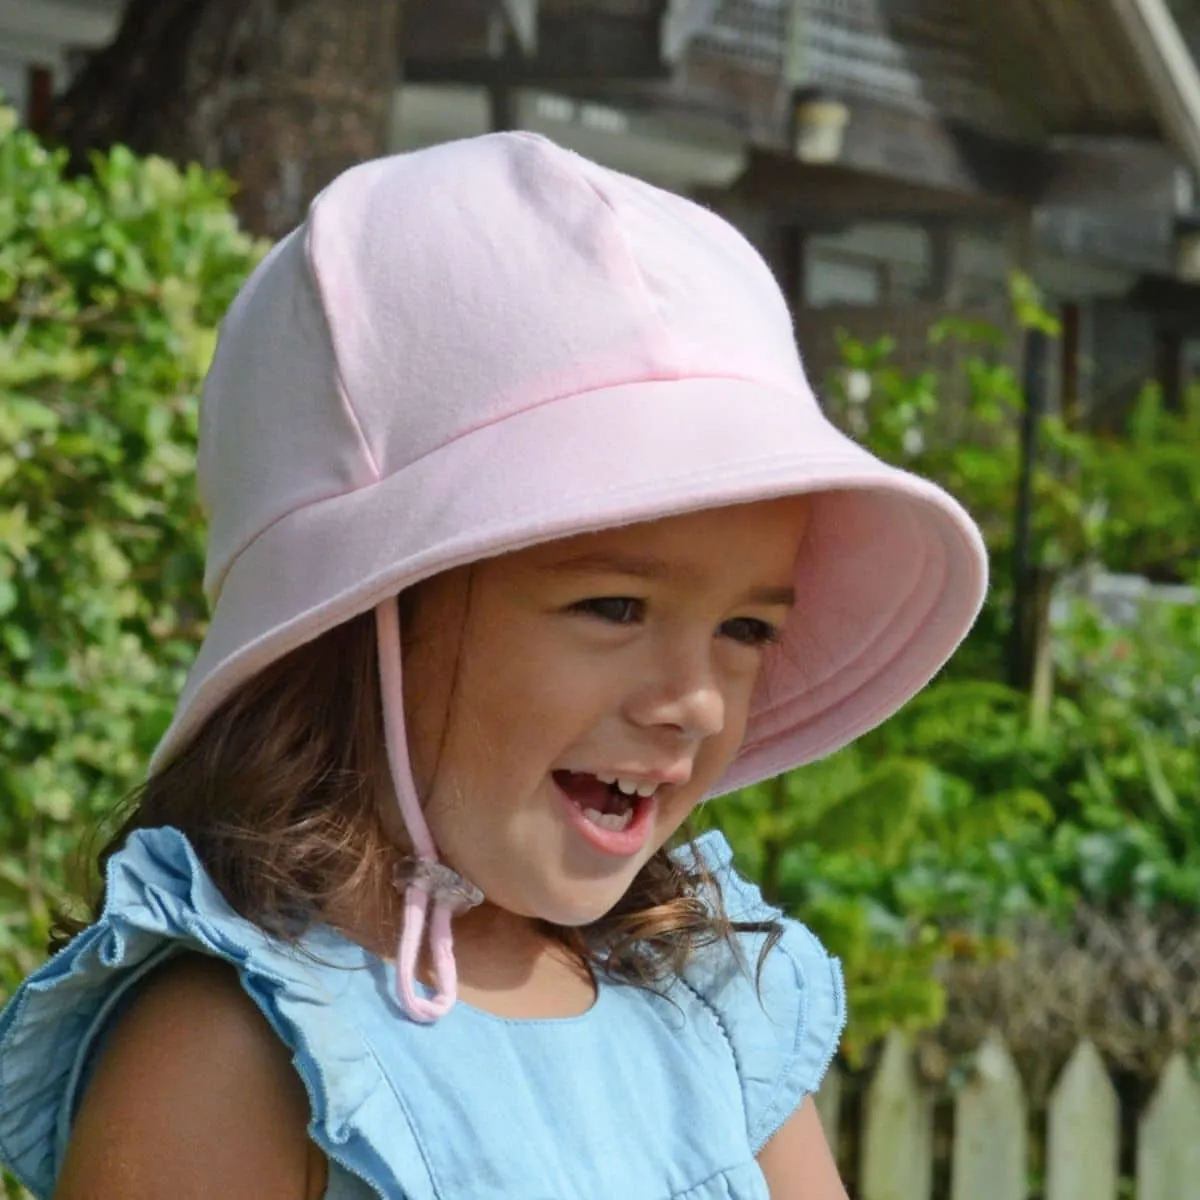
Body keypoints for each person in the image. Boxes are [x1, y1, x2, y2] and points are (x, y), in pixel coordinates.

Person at [0, 131, 987, 1199]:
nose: (697, 701)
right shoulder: (240, 1049)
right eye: (613, 605)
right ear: (361, 620)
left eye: (747, 630)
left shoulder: (706, 1015)